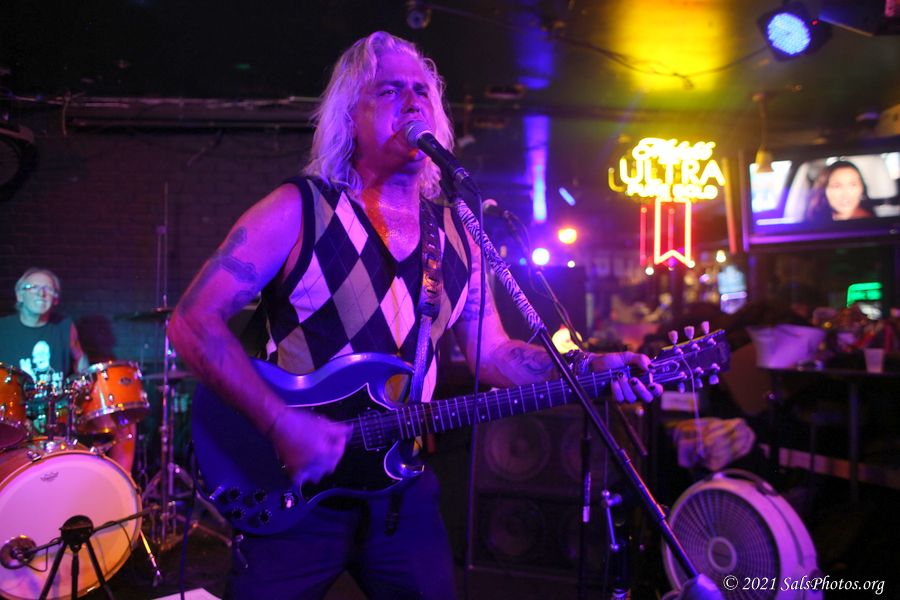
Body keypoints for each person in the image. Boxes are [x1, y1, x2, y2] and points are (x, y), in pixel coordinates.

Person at [169, 31, 655, 599]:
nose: (412, 101)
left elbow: (495, 354)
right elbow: (191, 322)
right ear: (350, 117)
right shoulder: (299, 210)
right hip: (293, 488)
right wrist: (282, 424)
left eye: (422, 90)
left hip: (400, 486)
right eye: (389, 90)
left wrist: (590, 367)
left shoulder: (459, 233)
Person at [0, 268, 135, 472]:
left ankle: (122, 484)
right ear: (20, 294)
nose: (41, 293)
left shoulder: (64, 326)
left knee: (124, 421)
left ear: (55, 299)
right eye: (33, 287)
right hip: (18, 414)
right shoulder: (4, 329)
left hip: (59, 413)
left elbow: (79, 360)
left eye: (48, 289)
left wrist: (87, 384)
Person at [806, 160, 874, 222]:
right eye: (837, 186)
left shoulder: (872, 224)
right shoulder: (815, 223)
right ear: (824, 190)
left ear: (862, 189)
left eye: (853, 184)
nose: (846, 194)